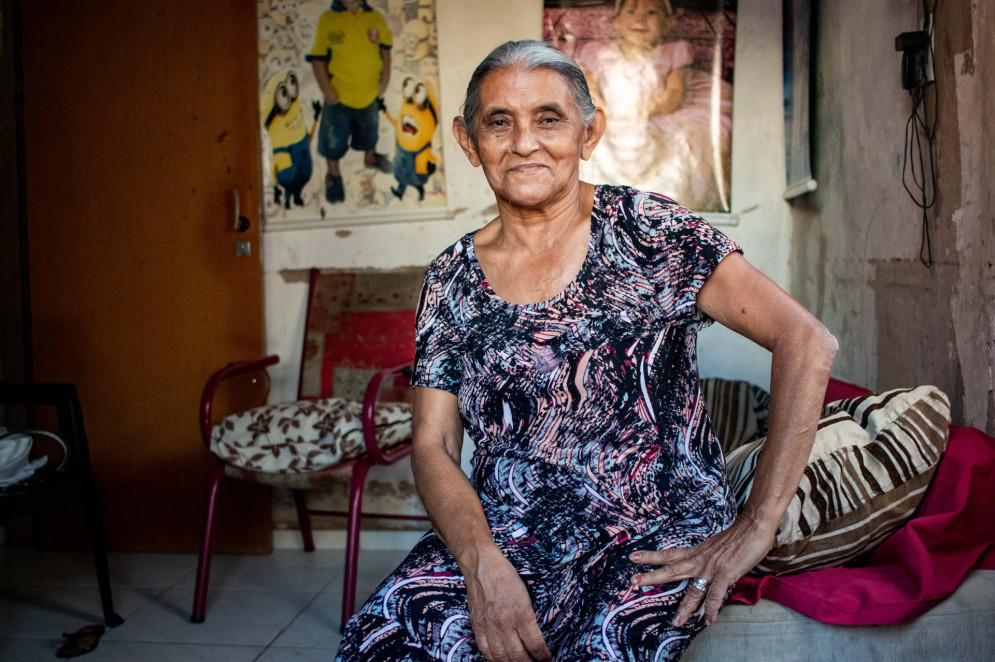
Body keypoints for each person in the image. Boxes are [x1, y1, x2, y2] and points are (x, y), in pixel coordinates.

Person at [335, 40, 837, 661]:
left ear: (588, 131)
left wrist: (756, 524)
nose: (524, 143)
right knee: (378, 644)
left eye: (548, 118)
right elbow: (433, 444)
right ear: (469, 141)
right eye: (500, 122)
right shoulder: (451, 279)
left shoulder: (649, 230)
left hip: (655, 531)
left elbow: (806, 339)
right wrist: (479, 561)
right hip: (506, 535)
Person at [574, 0, 734, 212]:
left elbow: (674, 95)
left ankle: (657, 205)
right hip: (611, 113)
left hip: (656, 111)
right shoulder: (598, 53)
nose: (640, 19)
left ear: (667, 23)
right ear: (617, 21)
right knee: (597, 142)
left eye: (651, 12)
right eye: (631, 11)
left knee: (679, 141)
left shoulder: (672, 51)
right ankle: (606, 204)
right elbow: (590, 87)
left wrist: (642, 112)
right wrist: (606, 110)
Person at [307, 0, 393, 204]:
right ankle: (334, 176)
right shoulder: (328, 20)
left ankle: (370, 157)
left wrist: (384, 82)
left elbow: (386, 52)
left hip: (369, 94)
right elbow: (318, 58)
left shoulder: (375, 18)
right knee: (332, 141)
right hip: (339, 98)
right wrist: (327, 90)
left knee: (369, 132)